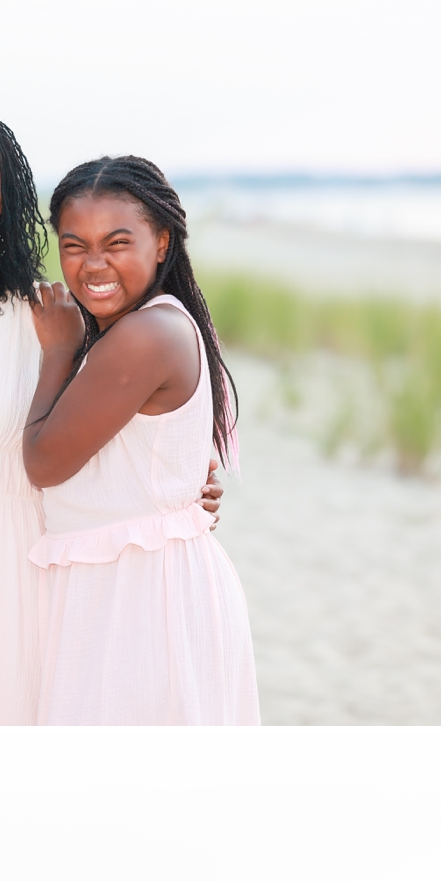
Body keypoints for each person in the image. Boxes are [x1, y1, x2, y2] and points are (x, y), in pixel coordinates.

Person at [0, 113, 221, 726]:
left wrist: (191, 483)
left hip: (26, 574)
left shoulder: (54, 313)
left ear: (5, 203)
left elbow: (124, 423)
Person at [23, 156, 259, 725]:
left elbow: (44, 462)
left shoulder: (145, 333)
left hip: (142, 594)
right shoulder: (143, 324)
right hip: (141, 577)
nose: (93, 264)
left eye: (117, 242)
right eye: (74, 245)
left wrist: (57, 350)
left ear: (161, 242)